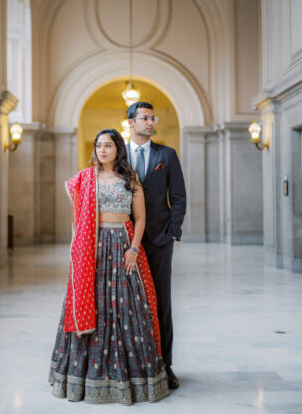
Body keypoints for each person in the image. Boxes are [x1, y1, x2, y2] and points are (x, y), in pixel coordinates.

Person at [48, 128, 169, 405]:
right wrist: (77, 248)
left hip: (124, 245)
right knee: (95, 304)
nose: (102, 150)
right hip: (93, 246)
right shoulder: (86, 178)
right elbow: (77, 217)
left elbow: (140, 218)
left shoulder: (130, 179)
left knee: (129, 307)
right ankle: (83, 377)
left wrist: (134, 249)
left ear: (118, 149)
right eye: (99, 145)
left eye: (108, 145)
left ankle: (133, 379)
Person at [126, 102, 186, 389]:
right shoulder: (118, 154)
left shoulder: (167, 155)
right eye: (144, 118)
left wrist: (172, 230)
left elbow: (178, 195)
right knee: (126, 302)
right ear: (130, 122)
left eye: (153, 118)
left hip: (160, 239)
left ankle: (166, 364)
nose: (150, 122)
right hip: (124, 241)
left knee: (162, 301)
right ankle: (130, 364)